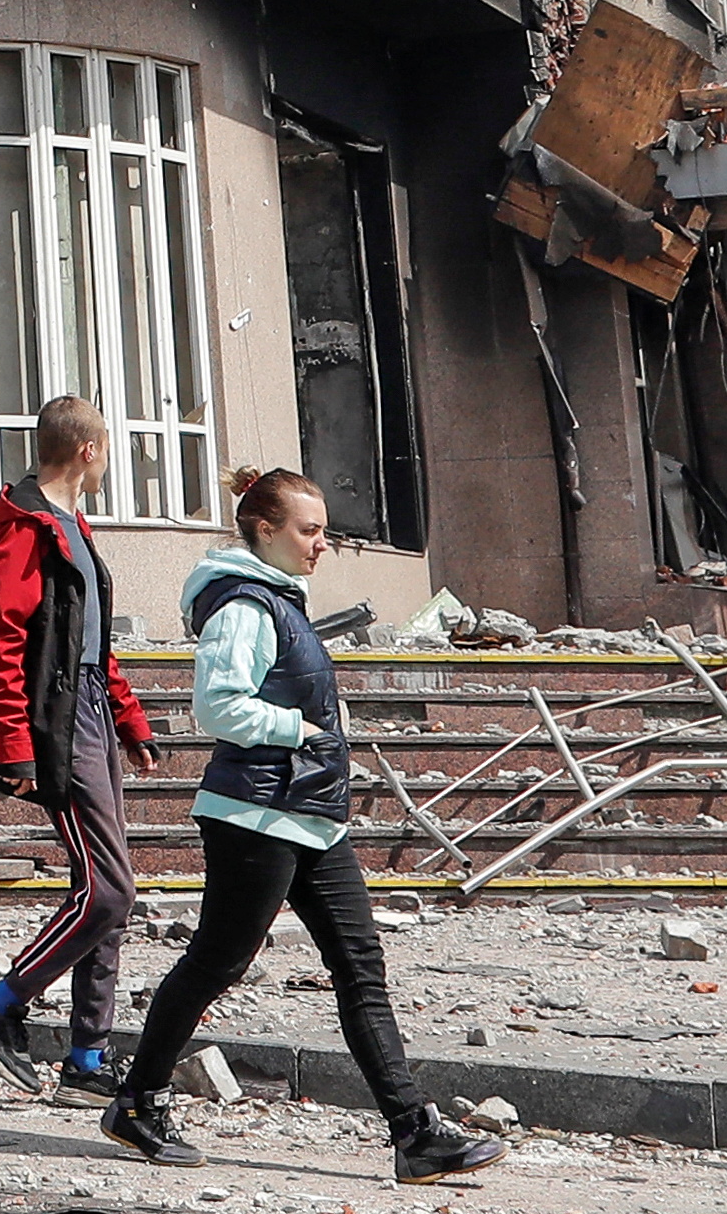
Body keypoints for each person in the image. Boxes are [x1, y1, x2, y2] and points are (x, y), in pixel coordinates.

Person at [96, 463, 507, 1182]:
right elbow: (216, 707)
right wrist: (305, 729)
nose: (322, 543)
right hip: (254, 813)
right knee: (217, 961)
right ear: (264, 528)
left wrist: (316, 736)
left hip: (310, 815)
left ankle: (413, 1133)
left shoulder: (280, 600)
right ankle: (136, 1101)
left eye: (322, 530)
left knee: (359, 967)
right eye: (308, 530)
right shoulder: (242, 607)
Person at [0, 395, 157, 1097]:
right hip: (57, 726)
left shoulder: (73, 525)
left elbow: (92, 646)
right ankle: (0, 1002)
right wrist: (12, 742)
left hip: (92, 712)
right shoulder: (26, 528)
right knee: (108, 888)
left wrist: (129, 719)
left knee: (103, 888)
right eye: (110, 450)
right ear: (89, 451)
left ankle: (88, 1060)